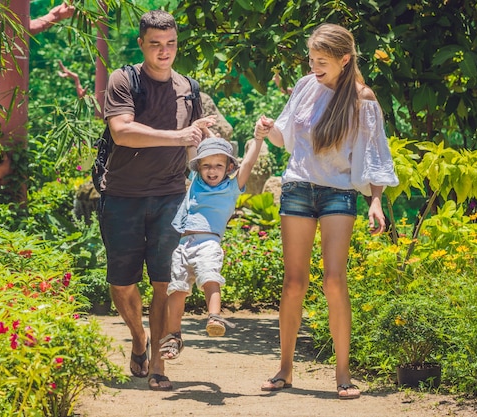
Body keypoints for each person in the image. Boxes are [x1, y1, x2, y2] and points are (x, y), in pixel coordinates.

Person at [254, 23, 399, 399]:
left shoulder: (362, 99)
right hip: (298, 188)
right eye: (311, 59)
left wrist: (376, 201)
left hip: (338, 193)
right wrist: (267, 128)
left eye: (321, 61)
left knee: (334, 280)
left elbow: (373, 155)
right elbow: (286, 138)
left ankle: (343, 374)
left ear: (344, 59)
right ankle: (285, 370)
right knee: (293, 283)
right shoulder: (305, 86)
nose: (314, 66)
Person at [99, 10, 211, 392]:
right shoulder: (124, 80)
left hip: (171, 198)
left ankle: (160, 363)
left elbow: (200, 143)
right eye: (156, 44)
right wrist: (179, 136)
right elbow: (123, 132)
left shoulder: (190, 89)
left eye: (171, 44)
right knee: (122, 283)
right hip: (123, 196)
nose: (165, 52)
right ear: (142, 44)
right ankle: (139, 336)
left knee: (165, 282)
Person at [158, 136, 264, 362]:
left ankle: (214, 317)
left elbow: (248, 163)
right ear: (199, 168)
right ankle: (174, 336)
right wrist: (199, 128)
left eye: (218, 165)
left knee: (209, 278)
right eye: (206, 165)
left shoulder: (232, 187)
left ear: (229, 168)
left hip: (208, 243)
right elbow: (191, 148)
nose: (212, 171)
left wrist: (259, 138)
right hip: (183, 244)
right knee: (176, 288)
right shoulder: (196, 181)